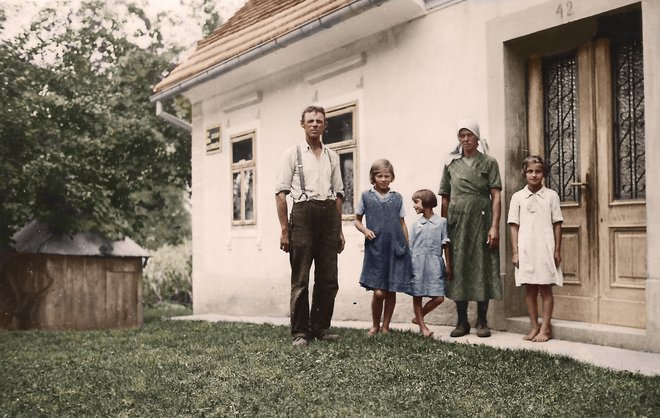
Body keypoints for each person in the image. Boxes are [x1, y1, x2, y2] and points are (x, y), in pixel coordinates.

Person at [275, 105, 345, 347]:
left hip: (328, 216)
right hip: (303, 216)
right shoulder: (292, 154)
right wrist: (285, 230)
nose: (315, 124)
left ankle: (321, 327)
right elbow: (281, 194)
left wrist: (339, 230)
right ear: (302, 124)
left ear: (325, 125)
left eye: (319, 121)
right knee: (301, 278)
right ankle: (300, 332)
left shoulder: (332, 156)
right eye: (310, 121)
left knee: (328, 278)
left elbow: (338, 195)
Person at [439, 119, 502, 338]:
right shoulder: (451, 164)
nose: (465, 140)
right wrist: (443, 227)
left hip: (482, 221)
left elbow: (495, 197)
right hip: (457, 223)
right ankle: (462, 321)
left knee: (482, 266)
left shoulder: (489, 162)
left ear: (477, 137)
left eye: (469, 135)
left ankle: (482, 321)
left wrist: (494, 226)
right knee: (459, 267)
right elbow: (445, 198)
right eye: (461, 136)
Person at [508, 155, 563, 342]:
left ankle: (545, 329)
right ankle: (534, 326)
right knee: (530, 288)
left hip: (545, 247)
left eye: (538, 171)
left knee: (545, 287)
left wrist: (557, 250)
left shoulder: (551, 196)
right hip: (526, 248)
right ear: (524, 173)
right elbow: (514, 225)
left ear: (544, 174)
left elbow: (557, 224)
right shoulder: (517, 197)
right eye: (530, 171)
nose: (534, 175)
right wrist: (515, 251)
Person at [354, 159, 412, 336]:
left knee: (391, 289)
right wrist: (365, 230)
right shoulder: (366, 196)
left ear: (392, 177)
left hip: (395, 248)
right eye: (380, 176)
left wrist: (406, 245)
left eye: (387, 176)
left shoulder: (397, 197)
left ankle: (386, 326)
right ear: (373, 177)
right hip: (376, 249)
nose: (384, 179)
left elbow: (402, 223)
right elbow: (356, 220)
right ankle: (375, 325)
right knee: (379, 292)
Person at [407, 189, 452, 338]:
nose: (414, 206)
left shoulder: (441, 222)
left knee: (439, 297)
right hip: (417, 263)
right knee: (417, 295)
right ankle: (422, 326)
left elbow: (446, 244)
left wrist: (448, 265)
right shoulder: (415, 225)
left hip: (434, 262)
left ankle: (418, 317)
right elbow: (410, 247)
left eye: (416, 202)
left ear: (426, 201)